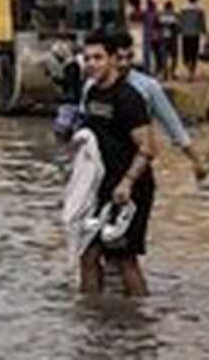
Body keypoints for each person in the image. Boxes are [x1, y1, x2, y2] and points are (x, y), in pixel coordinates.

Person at [78, 29, 159, 297]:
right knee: (88, 255)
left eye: (98, 58)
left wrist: (127, 182)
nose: (91, 64)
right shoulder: (91, 94)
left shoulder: (128, 98)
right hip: (102, 187)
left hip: (131, 189)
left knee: (125, 259)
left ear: (113, 59)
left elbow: (148, 147)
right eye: (87, 58)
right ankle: (91, 323)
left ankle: (140, 322)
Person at [97, 31, 208, 182]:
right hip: (100, 168)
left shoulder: (148, 87)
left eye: (129, 57)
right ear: (110, 58)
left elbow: (173, 125)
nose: (124, 63)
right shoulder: (94, 87)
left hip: (136, 169)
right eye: (119, 58)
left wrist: (196, 161)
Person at [179, 0, 206, 82]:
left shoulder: (183, 8)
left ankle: (189, 72)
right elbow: (202, 22)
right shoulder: (199, 9)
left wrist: (180, 30)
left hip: (185, 34)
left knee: (186, 54)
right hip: (195, 34)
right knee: (193, 54)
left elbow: (180, 21)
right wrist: (204, 32)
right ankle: (191, 72)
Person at [159, 1, 180, 80]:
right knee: (174, 57)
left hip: (163, 39)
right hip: (172, 39)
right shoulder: (175, 16)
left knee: (164, 57)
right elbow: (178, 28)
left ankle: (165, 73)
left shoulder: (161, 16)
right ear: (171, 7)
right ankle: (172, 73)